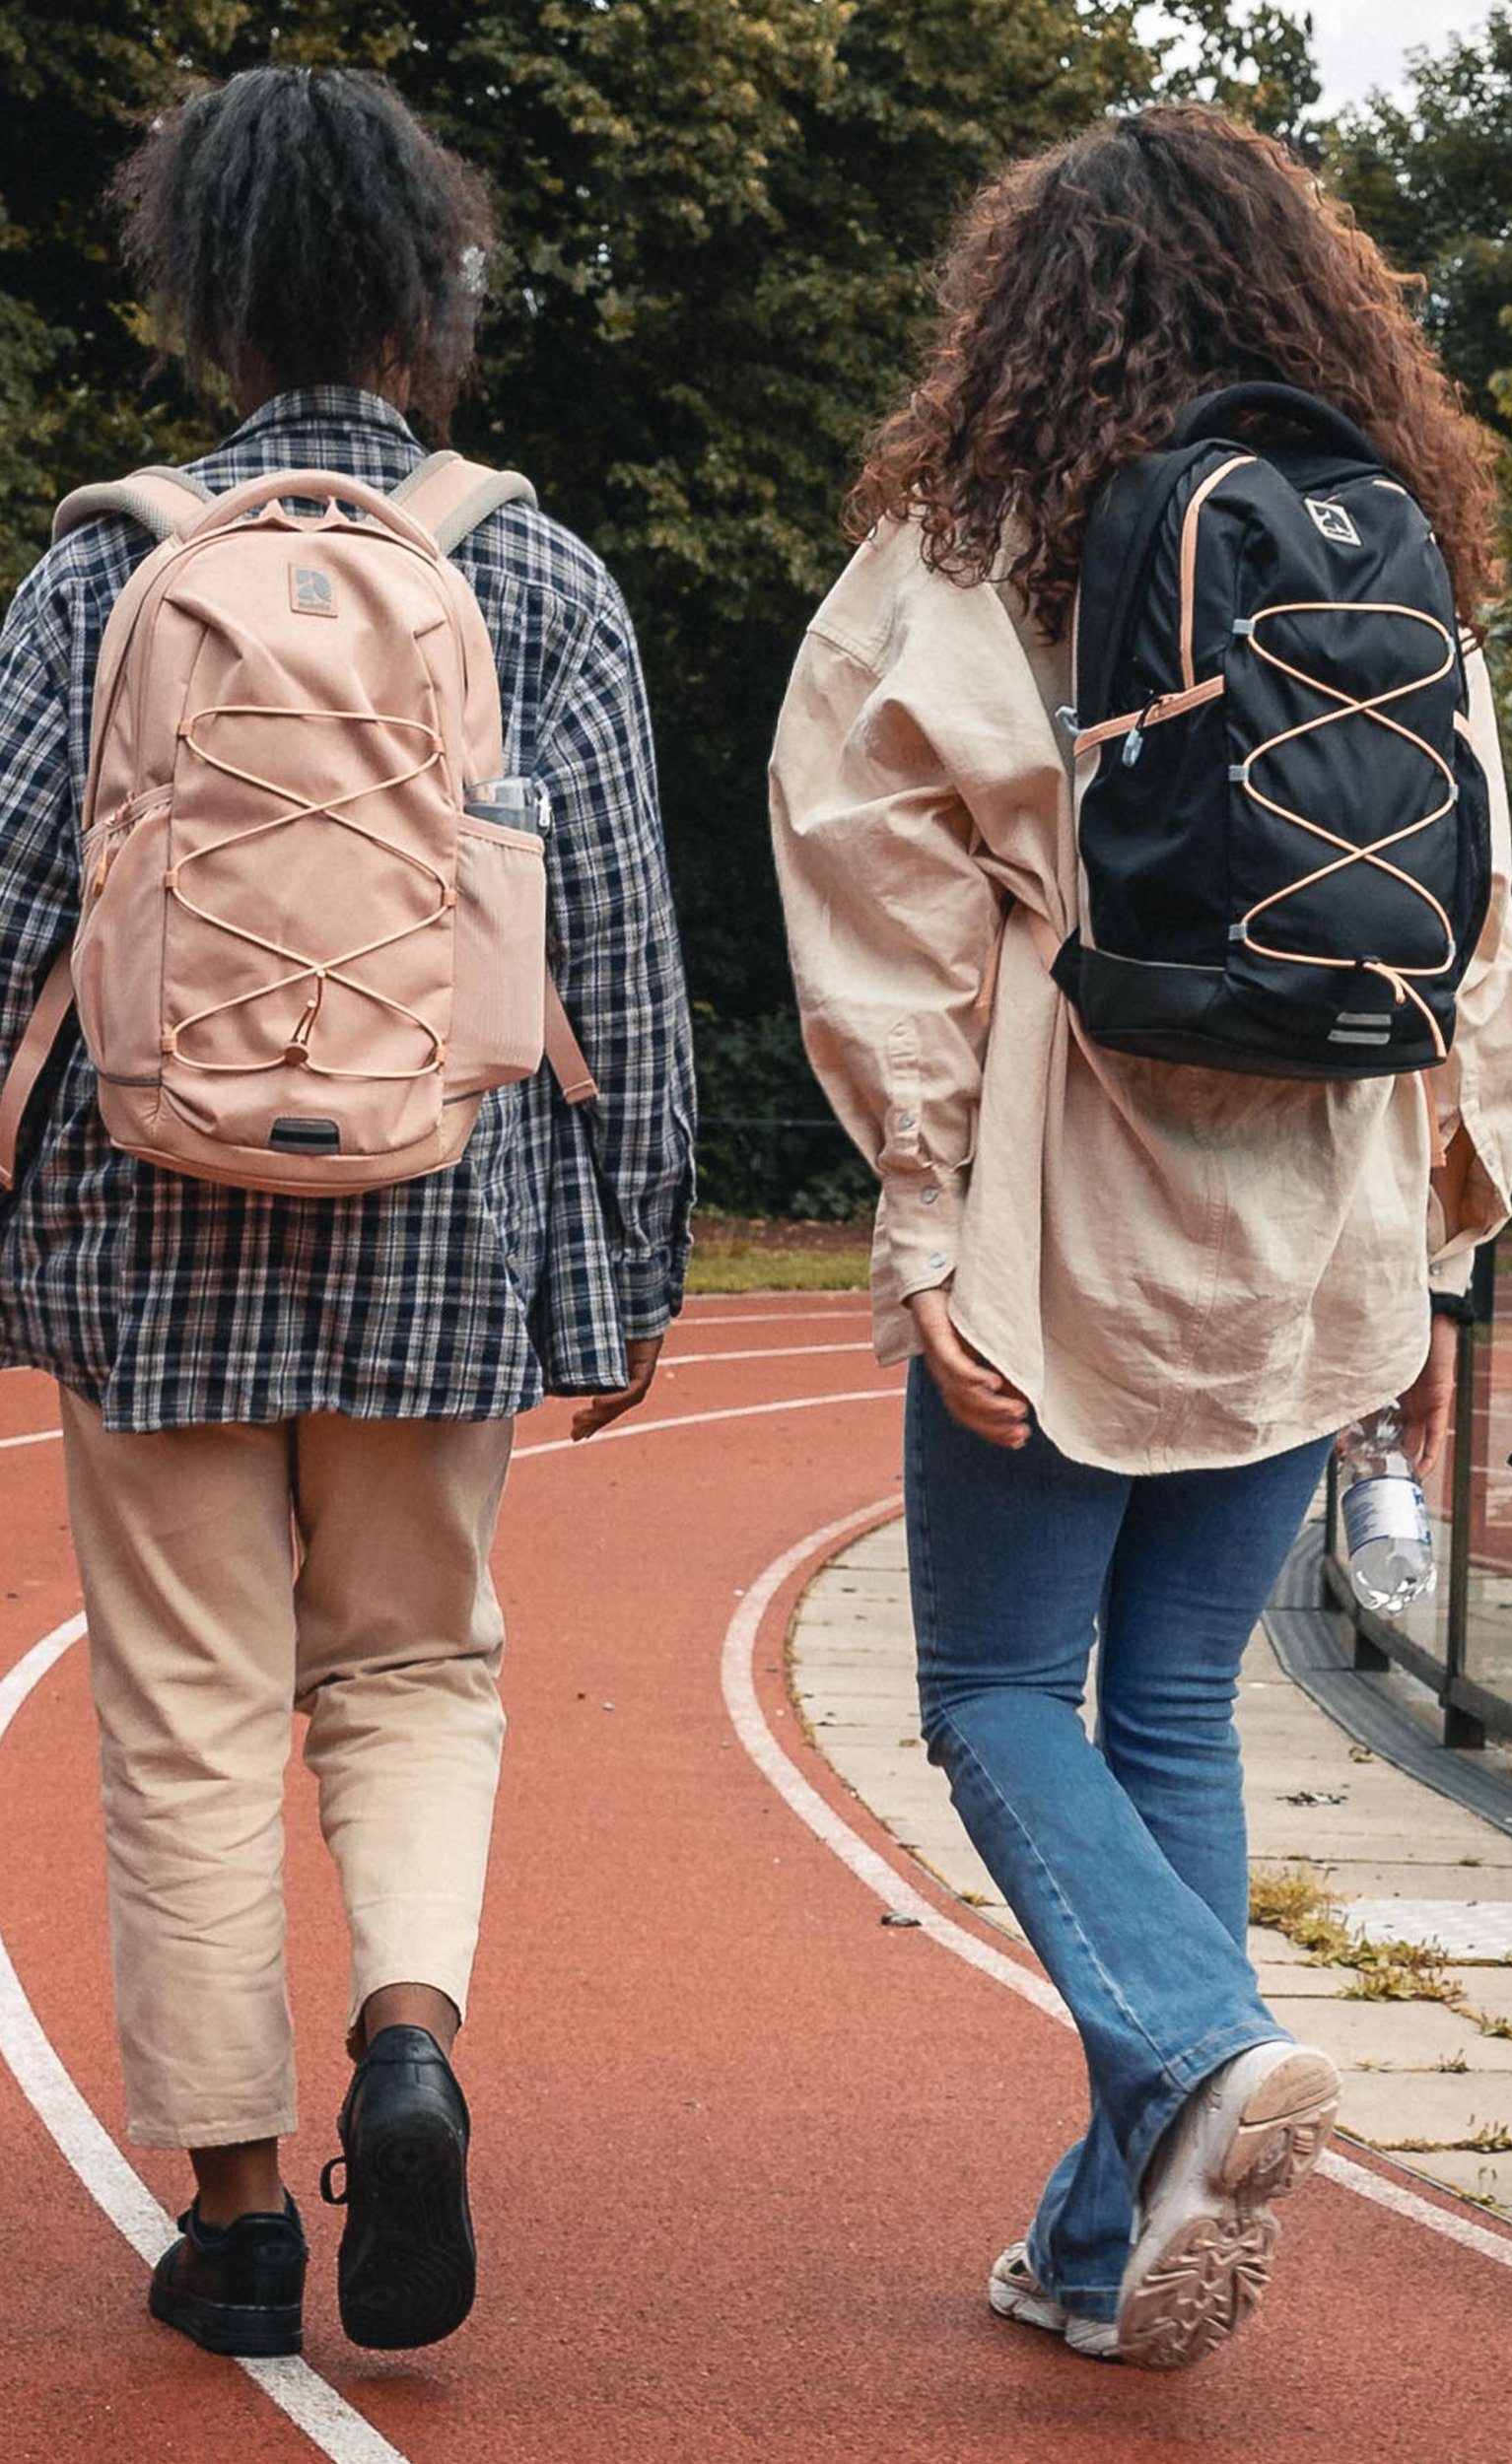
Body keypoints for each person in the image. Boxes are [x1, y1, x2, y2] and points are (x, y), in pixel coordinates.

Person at [771, 104, 1512, 2371]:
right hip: (1317, 1225)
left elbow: (875, 884)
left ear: (1021, 313)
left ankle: (1200, 2046)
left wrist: (919, 1210)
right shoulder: (1393, 563)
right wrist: (1448, 1250)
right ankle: (1111, 2240)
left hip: (1064, 1202)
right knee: (1174, 1693)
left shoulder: (967, 541)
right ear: (1315, 306)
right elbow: (1478, 930)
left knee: (997, 1688)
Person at [0, 68, 695, 2359]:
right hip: (444, 1208)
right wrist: (634, 1250)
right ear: (425, 285)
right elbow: (611, 941)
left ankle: (230, 2214)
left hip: (146, 1207)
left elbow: (18, 912)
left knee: (187, 1702)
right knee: (410, 1664)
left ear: (205, 285)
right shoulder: (530, 565)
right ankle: (406, 2039)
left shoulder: (100, 566)